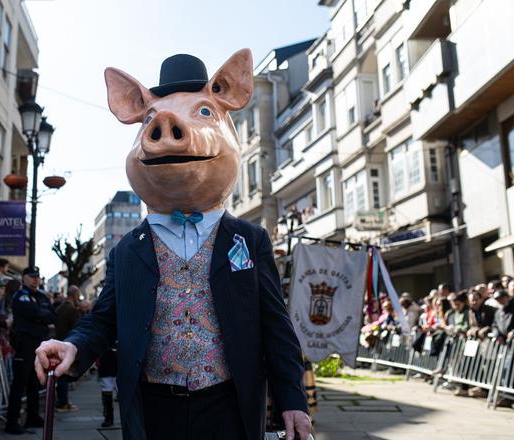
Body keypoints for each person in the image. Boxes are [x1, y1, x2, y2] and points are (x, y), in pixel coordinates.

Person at [35, 50, 311, 440]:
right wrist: (73, 348)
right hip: (153, 406)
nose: (166, 129)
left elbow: (275, 325)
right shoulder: (127, 250)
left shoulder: (249, 239)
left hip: (228, 402)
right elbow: (104, 319)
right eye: (150, 120)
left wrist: (292, 400)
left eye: (201, 113)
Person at [5, 266, 57, 435]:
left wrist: (40, 316)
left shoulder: (41, 296)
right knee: (20, 383)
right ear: (24, 278)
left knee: (35, 381)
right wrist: (41, 316)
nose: (35, 279)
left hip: (39, 343)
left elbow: (52, 315)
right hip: (25, 343)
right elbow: (33, 312)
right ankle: (12, 422)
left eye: (37, 276)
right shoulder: (20, 296)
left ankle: (32, 416)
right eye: (32, 276)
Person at [54, 286, 82, 412]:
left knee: (61, 374)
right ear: (74, 295)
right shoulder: (71, 309)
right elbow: (77, 328)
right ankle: (63, 403)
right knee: (63, 375)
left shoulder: (60, 307)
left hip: (59, 342)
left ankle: (63, 401)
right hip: (66, 344)